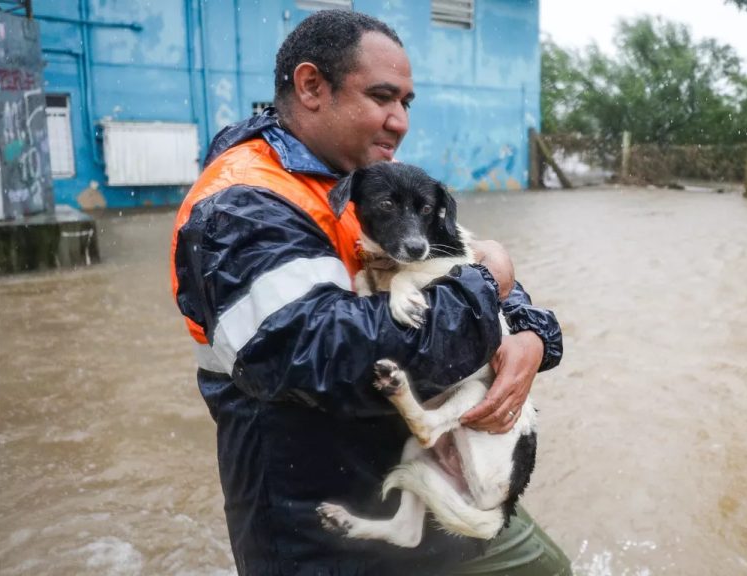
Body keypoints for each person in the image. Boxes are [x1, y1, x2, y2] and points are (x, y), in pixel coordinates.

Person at [170, 9, 571, 576]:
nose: (399, 121)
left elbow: (460, 259)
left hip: (436, 470)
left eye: (407, 102)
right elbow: (334, 357)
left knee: (545, 569)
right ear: (311, 86)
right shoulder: (241, 204)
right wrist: (489, 283)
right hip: (319, 523)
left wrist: (531, 336)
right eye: (382, 97)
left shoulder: (377, 175)